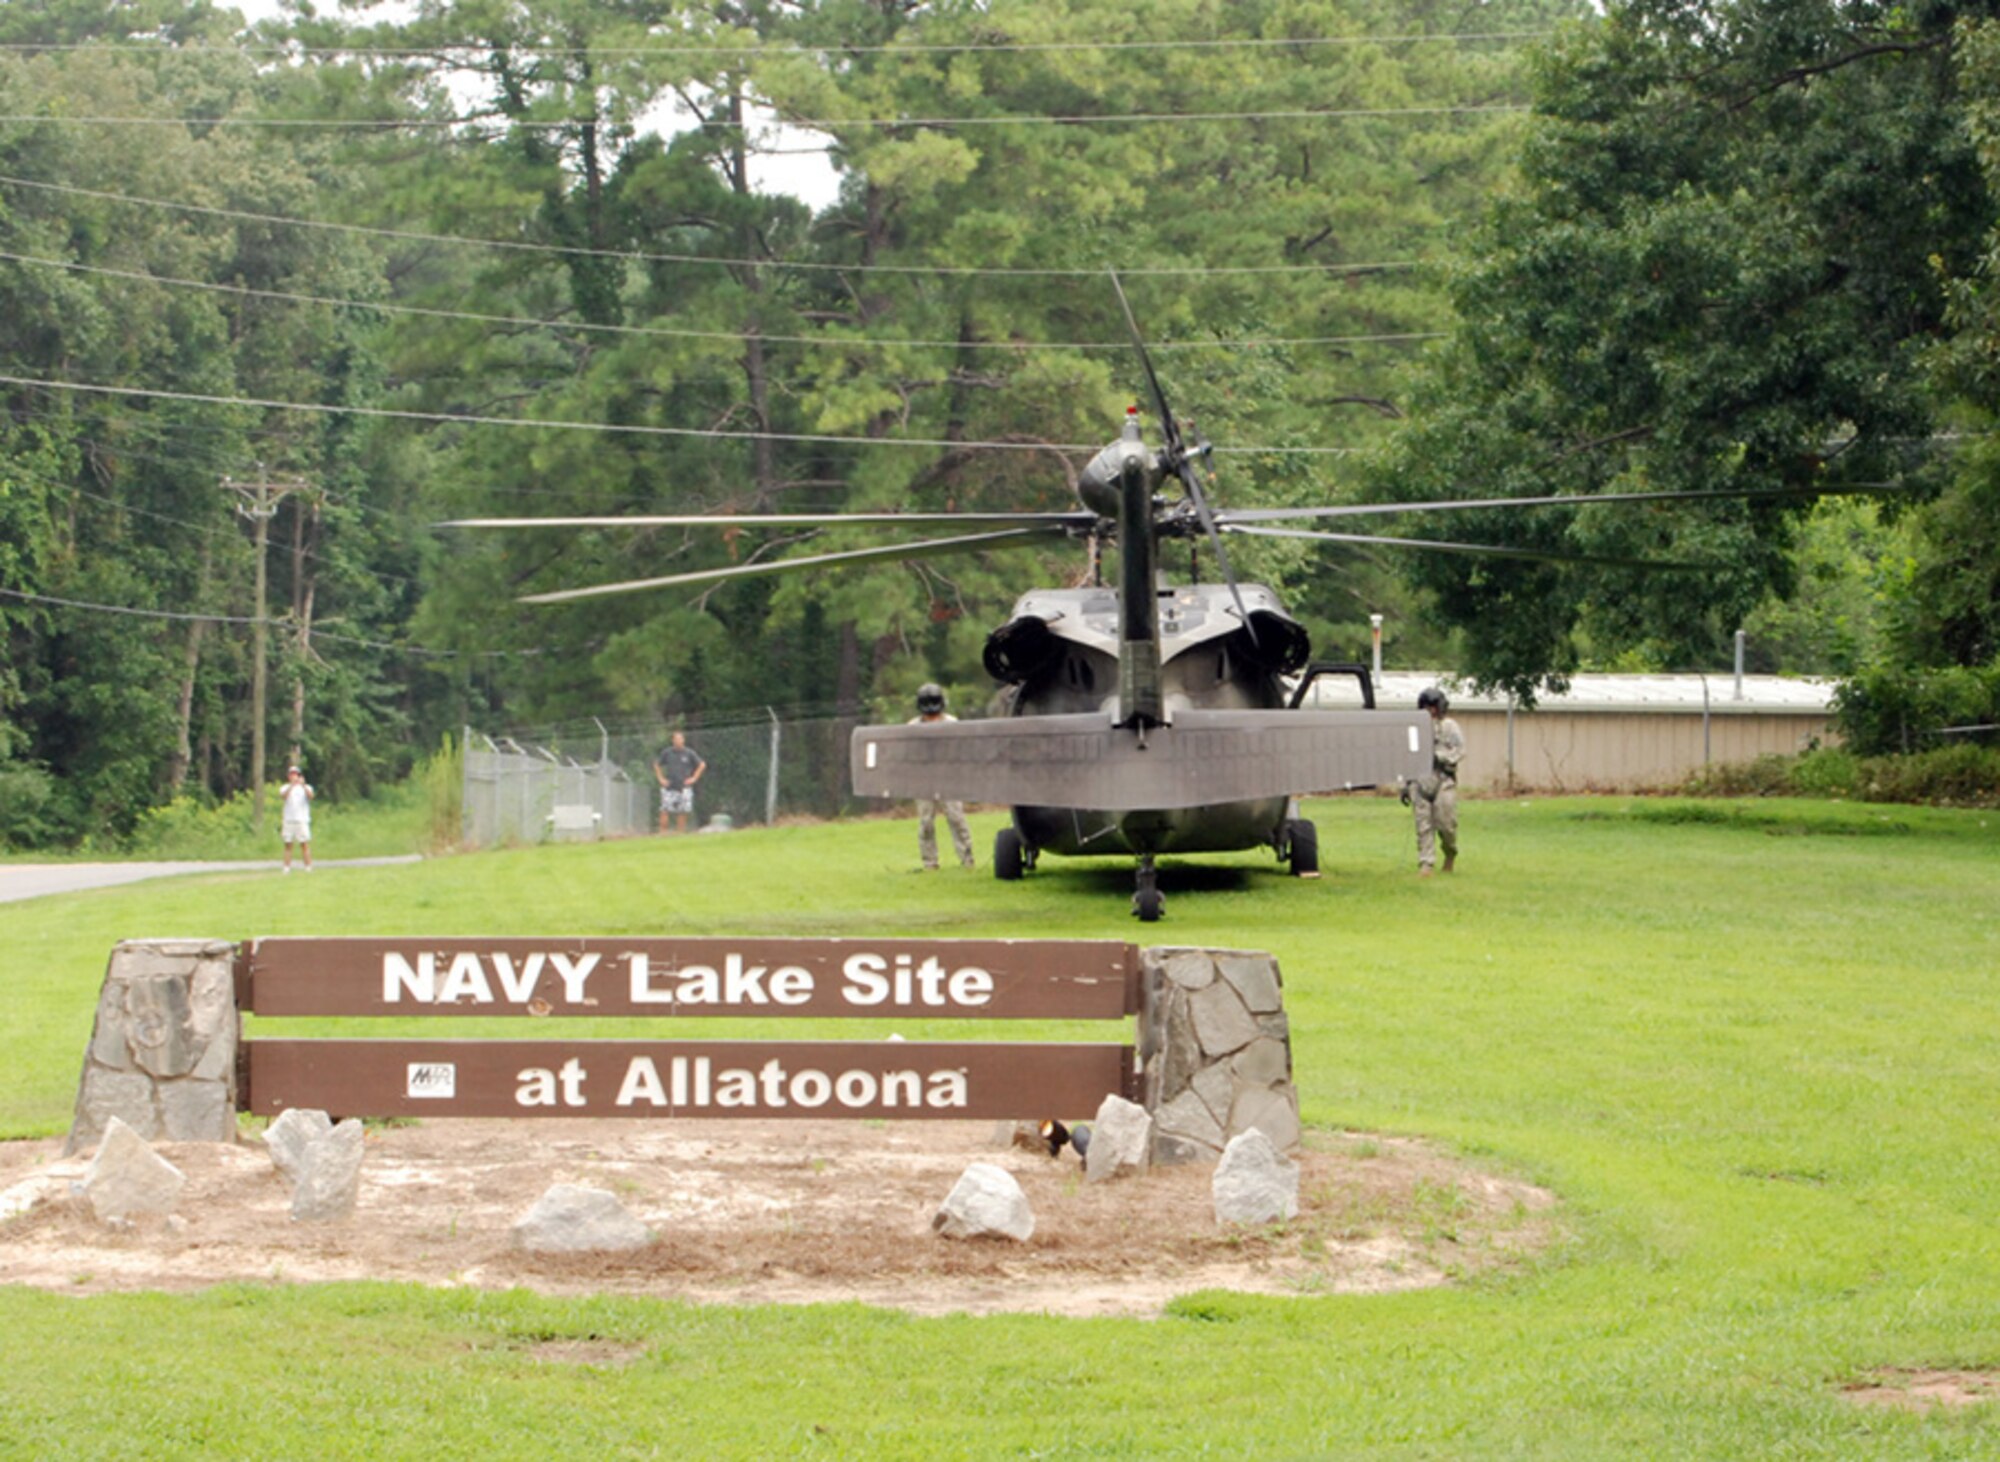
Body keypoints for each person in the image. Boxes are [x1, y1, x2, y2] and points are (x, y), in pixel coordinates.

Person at [909, 683, 974, 871]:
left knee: (956, 818)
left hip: (948, 777)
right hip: (922, 780)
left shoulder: (952, 724)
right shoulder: (912, 727)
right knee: (926, 822)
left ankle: (967, 859)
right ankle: (929, 862)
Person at [1403, 686, 1463, 877]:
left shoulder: (1450, 727)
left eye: (1433, 707)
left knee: (1447, 824)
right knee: (1423, 825)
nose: (1431, 711)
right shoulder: (1414, 729)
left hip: (1443, 779)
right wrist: (1406, 785)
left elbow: (1459, 751)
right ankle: (1426, 863)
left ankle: (1450, 851)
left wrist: (1440, 756)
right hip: (1420, 781)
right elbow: (1408, 755)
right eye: (1427, 707)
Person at [653, 731, 706, 835]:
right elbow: (656, 764)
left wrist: (694, 778)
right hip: (669, 787)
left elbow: (702, 765)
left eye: (680, 739)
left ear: (683, 740)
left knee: (682, 811)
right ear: (673, 740)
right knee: (664, 809)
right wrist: (661, 778)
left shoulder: (689, 753)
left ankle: (679, 833)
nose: (678, 741)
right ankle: (663, 833)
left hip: (684, 787)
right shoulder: (667, 753)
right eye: (676, 739)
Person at [280, 765, 314, 873]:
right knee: (288, 844)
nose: (293, 776)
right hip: (289, 819)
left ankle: (308, 867)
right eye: (291, 774)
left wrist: (302, 785)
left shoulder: (306, 787)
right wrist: (291, 786)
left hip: (302, 819)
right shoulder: (285, 787)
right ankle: (286, 868)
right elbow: (284, 796)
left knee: (304, 843)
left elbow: (310, 797)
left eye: (296, 774)